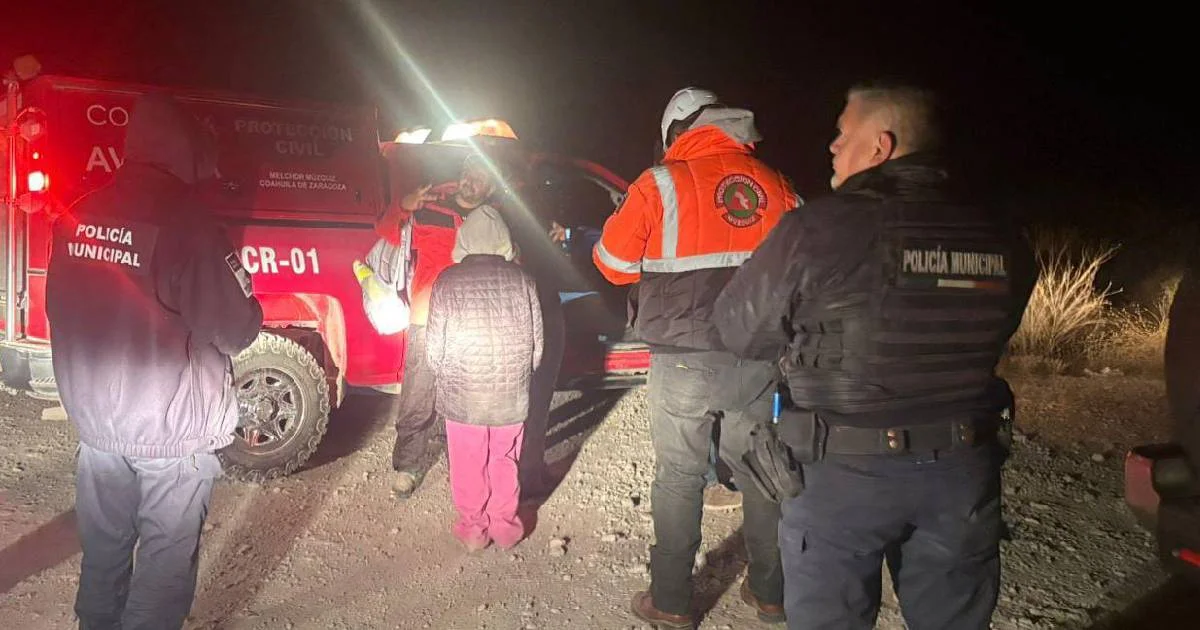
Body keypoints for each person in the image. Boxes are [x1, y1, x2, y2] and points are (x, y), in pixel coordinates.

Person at [713, 81, 1037, 629]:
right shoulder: (1002, 232)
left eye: (843, 135)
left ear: (880, 146)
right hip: (962, 469)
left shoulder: (819, 227)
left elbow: (742, 332)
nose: (833, 148)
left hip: (843, 472)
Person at [45, 93, 263, 630]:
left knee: (103, 551)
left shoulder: (78, 213)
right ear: (186, 151)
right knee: (165, 564)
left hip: (98, 427)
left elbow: (59, 310)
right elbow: (235, 330)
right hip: (170, 430)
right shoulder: (190, 225)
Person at [592, 86, 801, 627]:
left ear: (674, 134)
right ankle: (770, 593)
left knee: (680, 476)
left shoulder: (658, 183)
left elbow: (613, 264)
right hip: (758, 357)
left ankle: (672, 601)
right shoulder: (778, 185)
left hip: (683, 358)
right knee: (759, 471)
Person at [375, 152, 503, 498]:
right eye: (468, 172)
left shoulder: (493, 219)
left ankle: (461, 462)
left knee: (465, 396)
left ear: (491, 185)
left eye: (480, 176)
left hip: (472, 322)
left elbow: (509, 262)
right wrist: (404, 205)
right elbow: (386, 231)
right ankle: (408, 465)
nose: (471, 180)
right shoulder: (430, 206)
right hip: (427, 316)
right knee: (418, 395)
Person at [426, 206, 543, 551]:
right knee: (505, 458)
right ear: (505, 241)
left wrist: (448, 377)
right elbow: (537, 348)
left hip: (464, 396)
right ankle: (506, 527)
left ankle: (474, 530)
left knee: (467, 460)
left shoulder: (447, 281)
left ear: (464, 240)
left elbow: (434, 349)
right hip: (510, 395)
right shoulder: (524, 281)